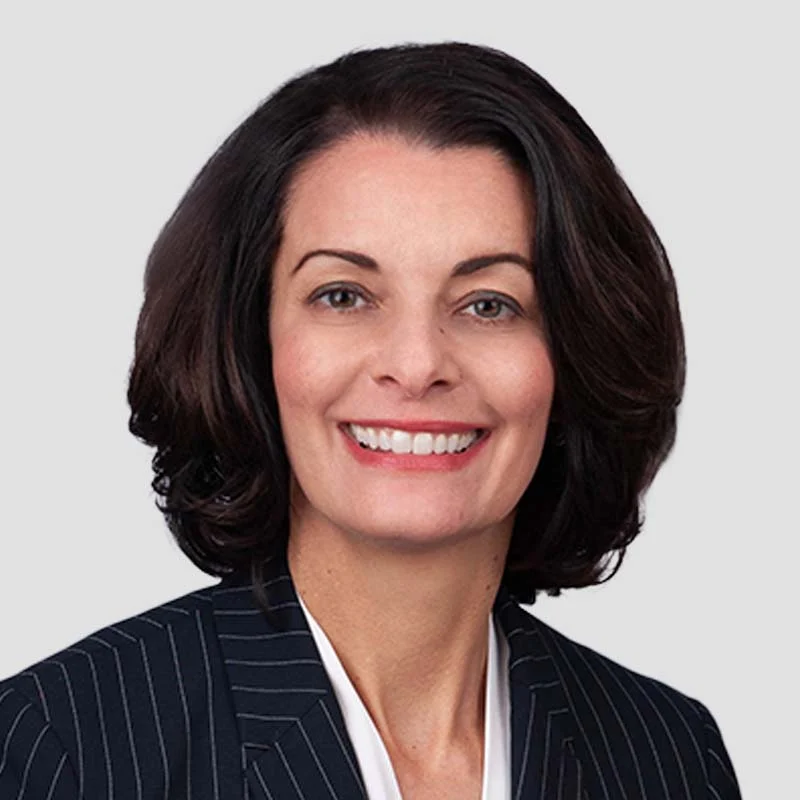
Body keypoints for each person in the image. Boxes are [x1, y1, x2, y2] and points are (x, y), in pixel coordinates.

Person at [0, 41, 741, 799]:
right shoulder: (61, 749)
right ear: (250, 341)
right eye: (343, 296)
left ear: (578, 354)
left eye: (489, 305)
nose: (417, 365)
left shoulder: (670, 757)